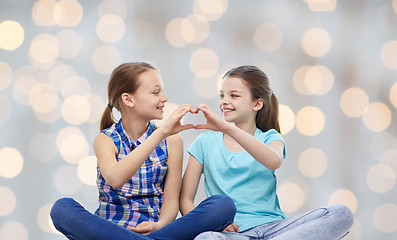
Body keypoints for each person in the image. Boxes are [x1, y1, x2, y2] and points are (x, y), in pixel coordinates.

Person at [50, 62, 236, 240]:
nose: (164, 98)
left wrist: (160, 225)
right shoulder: (105, 140)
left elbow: (171, 201)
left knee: (223, 205)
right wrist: (161, 133)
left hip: (155, 229)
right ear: (128, 99)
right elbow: (116, 178)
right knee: (62, 208)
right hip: (109, 229)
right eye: (156, 92)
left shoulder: (172, 141)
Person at [179, 65, 354, 240]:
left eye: (234, 95)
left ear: (257, 103)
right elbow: (185, 200)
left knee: (341, 213)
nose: (224, 101)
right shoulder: (204, 143)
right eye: (222, 95)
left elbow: (274, 161)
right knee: (205, 238)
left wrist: (228, 129)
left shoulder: (271, 137)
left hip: (275, 230)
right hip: (233, 236)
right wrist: (211, 224)